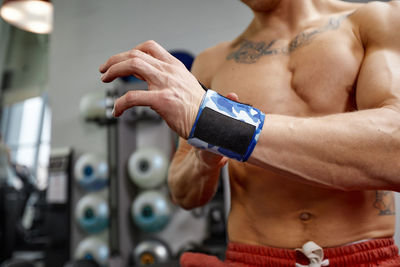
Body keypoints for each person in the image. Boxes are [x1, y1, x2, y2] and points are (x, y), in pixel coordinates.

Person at [99, 0, 400, 266]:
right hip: (251, 258)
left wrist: (221, 125)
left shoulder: (372, 21)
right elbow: (183, 193)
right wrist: (205, 157)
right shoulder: (212, 62)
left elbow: (394, 151)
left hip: (361, 255)